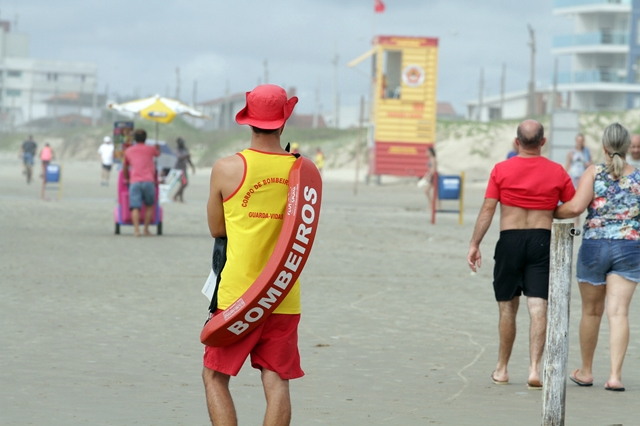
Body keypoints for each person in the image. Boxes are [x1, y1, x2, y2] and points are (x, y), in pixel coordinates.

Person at [203, 84, 302, 426]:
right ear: (283, 121)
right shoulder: (302, 172)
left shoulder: (227, 168)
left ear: (249, 121)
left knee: (215, 376)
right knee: (276, 380)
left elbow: (217, 229)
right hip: (283, 294)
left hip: (237, 297)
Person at [467, 119, 575, 389]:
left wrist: (474, 243)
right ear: (543, 142)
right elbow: (573, 207)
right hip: (542, 239)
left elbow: (488, 209)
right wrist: (549, 211)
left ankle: (502, 369)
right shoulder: (557, 171)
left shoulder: (501, 169)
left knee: (507, 307)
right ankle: (534, 369)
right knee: (538, 306)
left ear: (517, 142)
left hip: (510, 240)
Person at [555, 123, 640, 392]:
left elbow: (576, 207)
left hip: (594, 246)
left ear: (603, 147)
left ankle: (587, 371)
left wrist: (551, 212)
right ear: (628, 148)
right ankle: (615, 376)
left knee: (591, 312)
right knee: (619, 314)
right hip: (629, 247)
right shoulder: (638, 177)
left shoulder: (593, 173)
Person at [122, 129, 160, 237]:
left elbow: (125, 167)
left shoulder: (129, 150)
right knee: (149, 205)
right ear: (145, 138)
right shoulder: (151, 149)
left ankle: (136, 230)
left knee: (135, 207)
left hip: (135, 181)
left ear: (134, 138)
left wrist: (127, 178)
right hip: (148, 181)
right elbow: (158, 154)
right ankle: (146, 229)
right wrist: (158, 148)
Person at [172, 137, 196, 203]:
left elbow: (188, 159)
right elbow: (180, 158)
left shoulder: (185, 149)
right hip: (178, 169)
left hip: (184, 169)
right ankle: (178, 197)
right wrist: (186, 155)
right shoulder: (177, 150)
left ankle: (178, 197)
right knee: (184, 183)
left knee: (184, 183)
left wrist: (192, 166)